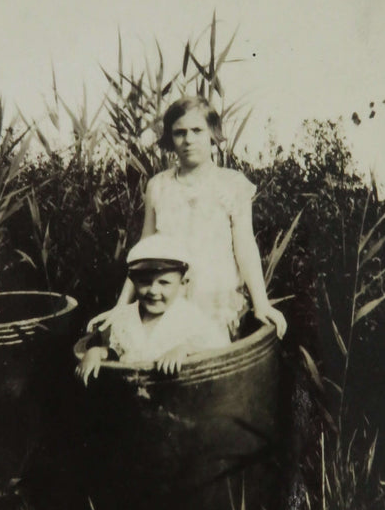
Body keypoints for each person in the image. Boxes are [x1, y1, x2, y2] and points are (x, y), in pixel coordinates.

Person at [90, 95, 287, 340]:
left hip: (217, 303)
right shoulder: (158, 186)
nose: (189, 140)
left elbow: (245, 246)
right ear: (170, 139)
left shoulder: (232, 184)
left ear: (212, 134)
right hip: (170, 303)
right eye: (180, 132)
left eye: (197, 130)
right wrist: (121, 307)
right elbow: (143, 253)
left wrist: (261, 304)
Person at [77, 234, 229, 383]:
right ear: (133, 281)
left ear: (183, 283)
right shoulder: (124, 317)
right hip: (135, 395)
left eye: (164, 283)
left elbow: (219, 348)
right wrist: (96, 352)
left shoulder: (190, 317)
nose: (153, 291)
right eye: (144, 282)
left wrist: (184, 349)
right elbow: (117, 352)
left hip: (177, 395)